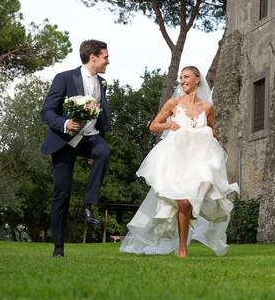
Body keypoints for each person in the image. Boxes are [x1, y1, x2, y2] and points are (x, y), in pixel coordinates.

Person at [120, 65, 239, 258]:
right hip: (176, 159)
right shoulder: (173, 104)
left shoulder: (208, 107)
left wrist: (212, 133)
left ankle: (190, 222)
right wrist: (171, 125)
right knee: (183, 203)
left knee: (193, 198)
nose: (183, 81)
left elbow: (213, 129)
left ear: (197, 79)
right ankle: (182, 248)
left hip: (200, 160)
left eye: (186, 77)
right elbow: (153, 126)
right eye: (181, 78)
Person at [40, 39, 111, 258]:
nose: (108, 62)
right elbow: (47, 111)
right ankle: (58, 248)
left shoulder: (102, 83)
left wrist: (94, 155)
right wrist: (65, 123)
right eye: (105, 57)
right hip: (65, 141)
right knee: (62, 193)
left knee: (104, 152)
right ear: (93, 58)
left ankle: (88, 204)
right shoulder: (64, 78)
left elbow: (101, 118)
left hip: (89, 138)